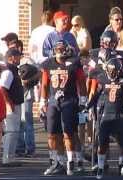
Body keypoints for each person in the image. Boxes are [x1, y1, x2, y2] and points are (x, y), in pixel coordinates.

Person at [40, 40, 86, 176]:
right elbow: (44, 84)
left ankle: (72, 161)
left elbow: (82, 82)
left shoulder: (74, 63)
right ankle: (57, 161)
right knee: (52, 132)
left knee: (69, 132)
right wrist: (42, 101)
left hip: (69, 100)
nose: (59, 51)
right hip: (54, 101)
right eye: (57, 48)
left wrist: (83, 101)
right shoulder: (48, 64)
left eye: (61, 49)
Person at [87, 58, 123, 179]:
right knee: (102, 142)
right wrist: (87, 106)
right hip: (106, 114)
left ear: (119, 71)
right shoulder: (102, 78)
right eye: (110, 71)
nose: (112, 73)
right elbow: (96, 94)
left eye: (114, 71)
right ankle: (100, 167)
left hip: (120, 114)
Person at [0, 48, 24, 166]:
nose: (19, 58)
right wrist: (8, 104)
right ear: (11, 58)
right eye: (18, 56)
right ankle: (7, 158)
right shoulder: (8, 72)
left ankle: (10, 157)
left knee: (14, 131)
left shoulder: (13, 70)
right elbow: (2, 89)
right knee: (11, 132)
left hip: (15, 104)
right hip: (11, 105)